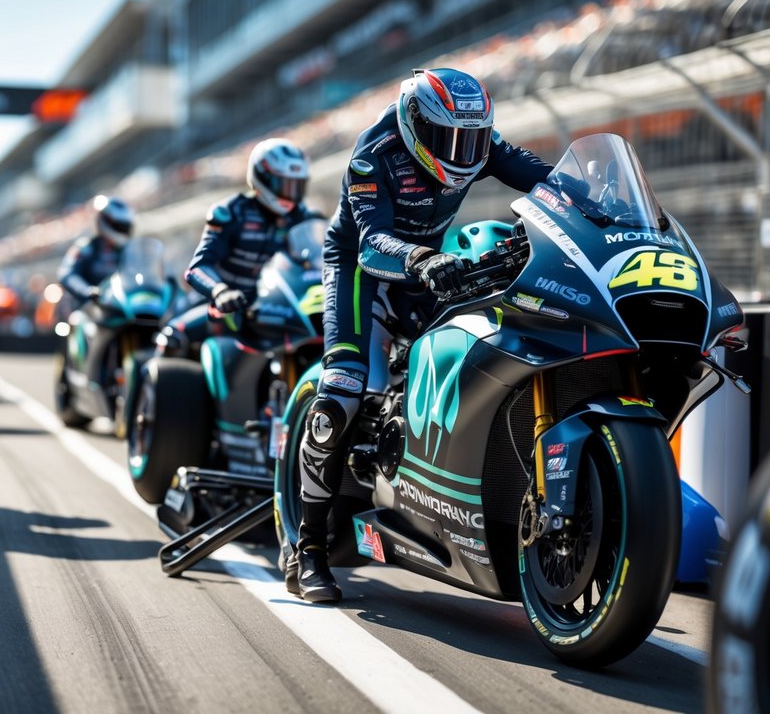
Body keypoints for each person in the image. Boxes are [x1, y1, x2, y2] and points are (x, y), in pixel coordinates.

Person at [290, 68, 553, 603]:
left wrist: (604, 204)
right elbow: (372, 241)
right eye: (449, 138)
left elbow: (545, 179)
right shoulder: (373, 155)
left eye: (473, 139)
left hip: (428, 265)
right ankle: (308, 550)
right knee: (341, 394)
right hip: (362, 270)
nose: (464, 152)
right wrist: (422, 259)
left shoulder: (475, 143)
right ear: (415, 123)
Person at [157, 139, 315, 358]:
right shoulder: (231, 212)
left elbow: (316, 260)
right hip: (219, 302)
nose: (291, 195)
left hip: (273, 306)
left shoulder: (303, 218)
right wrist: (220, 292)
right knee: (174, 337)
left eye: (297, 186)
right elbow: (197, 268)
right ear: (262, 178)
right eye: (285, 185)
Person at [56, 195, 133, 309]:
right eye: (119, 226)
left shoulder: (128, 251)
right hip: (88, 308)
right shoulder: (85, 248)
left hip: (120, 307)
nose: (123, 230)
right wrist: (87, 291)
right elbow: (67, 274)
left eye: (125, 226)